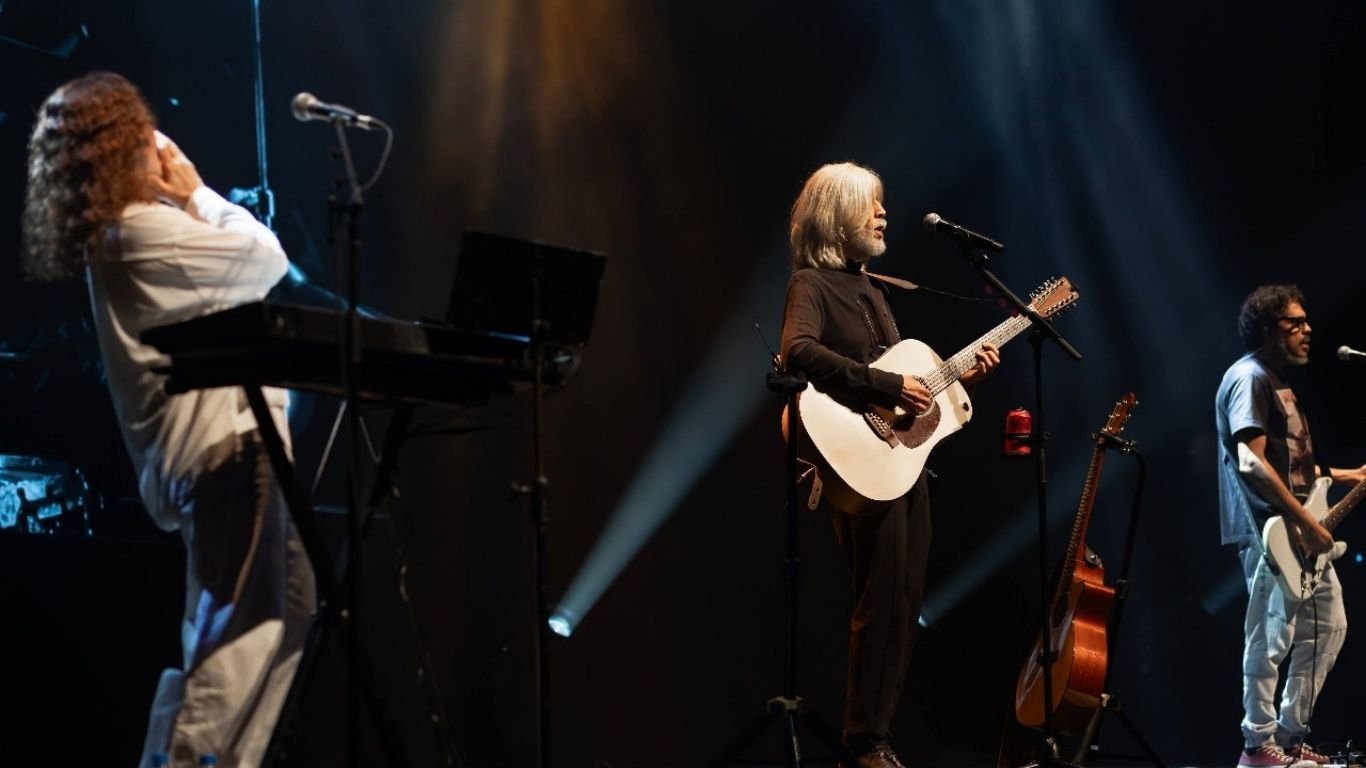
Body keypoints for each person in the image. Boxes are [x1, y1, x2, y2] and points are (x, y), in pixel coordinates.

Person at [22, 71, 315, 768]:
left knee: (287, 616)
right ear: (126, 146)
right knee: (236, 642)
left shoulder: (141, 234)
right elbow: (264, 259)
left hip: (237, 447)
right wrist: (197, 193)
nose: (165, 153)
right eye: (151, 140)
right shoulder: (134, 231)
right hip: (225, 452)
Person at [779, 162, 999, 768]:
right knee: (880, 598)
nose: (883, 214)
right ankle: (863, 740)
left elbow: (912, 385)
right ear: (836, 216)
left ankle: (879, 735)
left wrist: (960, 378)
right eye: (871, 204)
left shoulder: (875, 289)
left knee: (905, 601)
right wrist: (884, 384)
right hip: (856, 460)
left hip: (901, 462)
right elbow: (796, 352)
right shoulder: (812, 285)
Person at [1215, 284, 1364, 768]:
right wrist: (1308, 524)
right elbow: (1251, 464)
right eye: (1293, 324)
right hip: (1271, 532)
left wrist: (1352, 475)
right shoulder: (1249, 378)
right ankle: (1257, 746)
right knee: (1270, 637)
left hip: (1301, 534)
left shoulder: (1279, 382)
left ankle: (1290, 736)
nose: (1307, 331)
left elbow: (1297, 467)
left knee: (1329, 626)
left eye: (1306, 322)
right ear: (1265, 329)